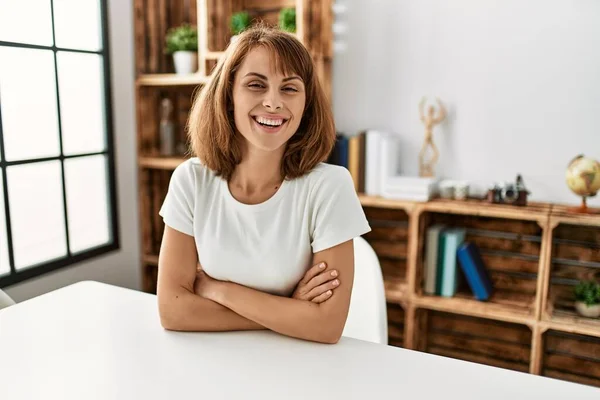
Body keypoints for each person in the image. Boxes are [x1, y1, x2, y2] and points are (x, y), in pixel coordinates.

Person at [156, 24, 371, 344]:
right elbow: (173, 312)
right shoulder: (191, 180)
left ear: (306, 103)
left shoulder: (330, 186)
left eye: (289, 88)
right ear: (228, 95)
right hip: (212, 361)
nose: (273, 102)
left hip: (299, 365)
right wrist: (290, 312)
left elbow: (326, 326)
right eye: (256, 85)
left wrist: (217, 290)